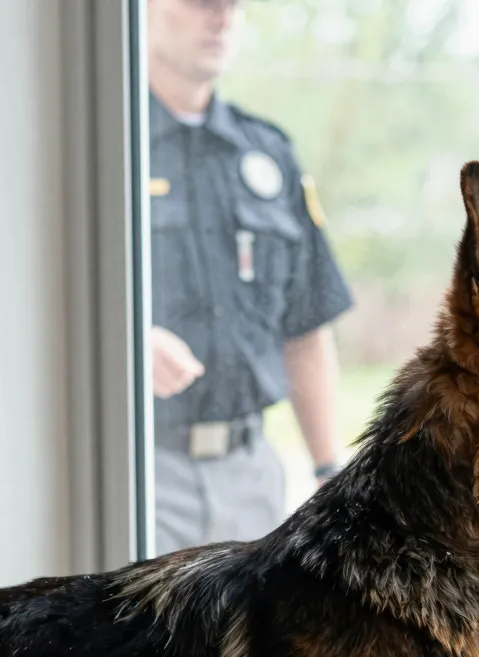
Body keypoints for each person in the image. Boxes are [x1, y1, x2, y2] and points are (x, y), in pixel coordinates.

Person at [146, 0, 353, 555]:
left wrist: (329, 472)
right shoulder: (104, 144)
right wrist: (128, 341)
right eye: (202, 3)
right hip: (140, 467)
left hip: (251, 476)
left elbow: (306, 326)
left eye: (232, 5)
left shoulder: (268, 152)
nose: (221, 18)